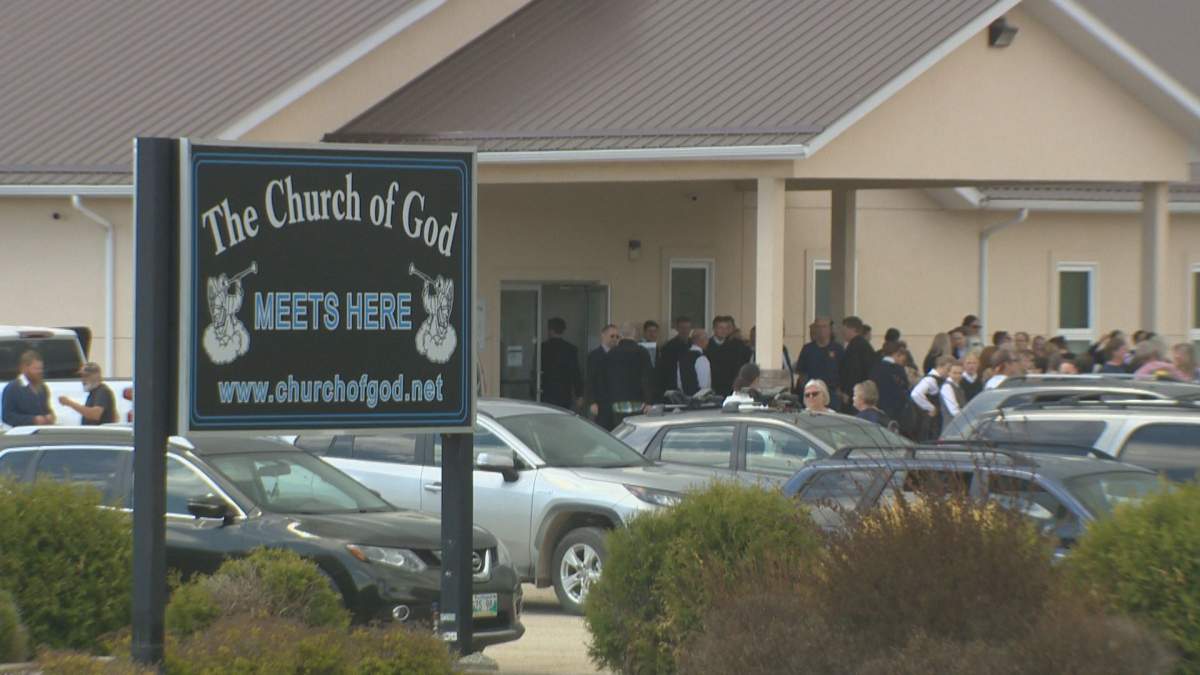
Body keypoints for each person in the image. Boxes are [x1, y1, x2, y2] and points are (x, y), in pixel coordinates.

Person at [602, 323, 654, 428]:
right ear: (635, 335)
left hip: (617, 402)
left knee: (620, 431)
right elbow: (647, 378)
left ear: (620, 335)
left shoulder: (611, 353)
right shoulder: (642, 352)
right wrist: (649, 401)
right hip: (638, 402)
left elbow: (606, 379)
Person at [539, 318, 583, 411]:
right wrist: (579, 394)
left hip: (546, 392)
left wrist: (533, 389)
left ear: (550, 330)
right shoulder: (570, 349)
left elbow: (536, 369)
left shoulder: (543, 348)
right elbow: (575, 373)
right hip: (564, 393)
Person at [2, 350, 55, 427]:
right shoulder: (12, 388)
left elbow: (47, 409)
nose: (40, 372)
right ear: (24, 368)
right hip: (21, 436)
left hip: (41, 434)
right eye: (36, 369)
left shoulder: (43, 388)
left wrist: (50, 416)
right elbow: (7, 416)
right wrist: (32, 419)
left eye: (41, 369)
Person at [706, 315, 752, 396]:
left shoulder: (734, 345)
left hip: (730, 388)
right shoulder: (707, 345)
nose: (724, 331)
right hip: (713, 388)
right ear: (714, 329)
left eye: (726, 328)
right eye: (720, 328)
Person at [795, 318, 843, 397]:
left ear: (830, 329)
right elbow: (801, 373)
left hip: (832, 393)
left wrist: (840, 390)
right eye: (818, 327)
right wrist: (806, 389)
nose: (821, 330)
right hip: (812, 394)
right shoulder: (807, 349)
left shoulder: (838, 349)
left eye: (824, 327)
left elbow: (843, 371)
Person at [838, 316, 877, 408]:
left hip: (855, 395)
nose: (842, 332)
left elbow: (853, 371)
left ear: (853, 329)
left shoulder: (855, 347)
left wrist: (848, 393)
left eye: (844, 329)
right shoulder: (863, 345)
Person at [911, 356, 953, 441]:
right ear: (940, 366)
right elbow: (915, 394)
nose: (948, 373)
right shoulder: (930, 380)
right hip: (931, 420)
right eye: (947, 369)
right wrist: (931, 408)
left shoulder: (937, 379)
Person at [586, 324, 619, 429]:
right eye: (612, 336)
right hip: (600, 402)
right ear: (603, 335)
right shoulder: (594, 355)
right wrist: (592, 402)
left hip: (615, 403)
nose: (615, 339)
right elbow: (590, 380)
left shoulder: (619, 354)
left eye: (617, 337)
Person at [869, 341, 910, 423]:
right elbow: (904, 388)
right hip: (895, 409)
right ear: (896, 353)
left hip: (878, 407)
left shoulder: (875, 368)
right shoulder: (898, 369)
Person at [658, 316, 693, 398]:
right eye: (682, 328)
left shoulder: (693, 344)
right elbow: (665, 369)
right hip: (674, 384)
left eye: (688, 328)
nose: (685, 331)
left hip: (690, 383)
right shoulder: (669, 346)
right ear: (677, 329)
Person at [676, 329, 712, 395]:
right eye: (707, 339)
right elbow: (704, 384)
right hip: (699, 399)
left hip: (685, 398)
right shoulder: (701, 358)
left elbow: (679, 382)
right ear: (702, 340)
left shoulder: (682, 358)